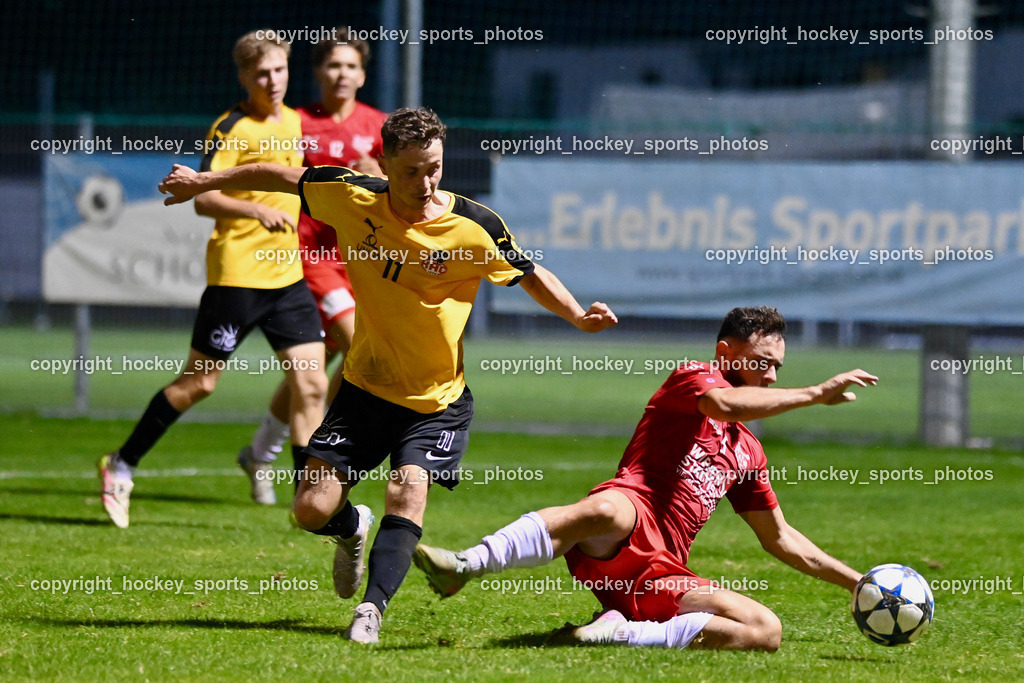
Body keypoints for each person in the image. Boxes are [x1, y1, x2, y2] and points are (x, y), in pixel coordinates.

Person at [158, 106, 618, 644]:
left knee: (406, 491)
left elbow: (528, 272)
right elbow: (274, 173)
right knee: (309, 509)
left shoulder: (474, 225)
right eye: (411, 171)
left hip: (436, 401)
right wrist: (202, 181)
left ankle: (371, 610)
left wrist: (577, 316)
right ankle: (352, 528)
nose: (425, 183)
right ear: (383, 163)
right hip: (363, 392)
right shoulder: (350, 195)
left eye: (435, 168)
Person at [412, 306, 878, 651]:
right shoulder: (692, 378)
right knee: (605, 508)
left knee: (765, 631)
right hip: (622, 525)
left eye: (779, 366)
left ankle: (621, 631)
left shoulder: (748, 451)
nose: (773, 376)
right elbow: (725, 405)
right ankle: (466, 565)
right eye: (763, 362)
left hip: (661, 574)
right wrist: (816, 394)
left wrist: (857, 583)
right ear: (725, 353)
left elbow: (780, 538)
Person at [97, 29, 328, 529]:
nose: (272, 80)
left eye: (280, 69)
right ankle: (121, 465)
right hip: (238, 277)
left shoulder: (294, 121)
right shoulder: (232, 127)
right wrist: (250, 208)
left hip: (288, 278)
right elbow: (201, 197)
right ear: (244, 77)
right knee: (200, 383)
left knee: (311, 384)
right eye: (261, 72)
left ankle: (308, 506)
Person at [239, 28, 387, 506]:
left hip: (359, 262)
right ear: (319, 72)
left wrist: (377, 173)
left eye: (350, 66)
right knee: (359, 344)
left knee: (313, 369)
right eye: (332, 65)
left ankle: (259, 453)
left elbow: (397, 194)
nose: (341, 74)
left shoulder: (379, 126)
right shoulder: (297, 122)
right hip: (313, 258)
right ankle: (328, 451)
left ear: (363, 75)